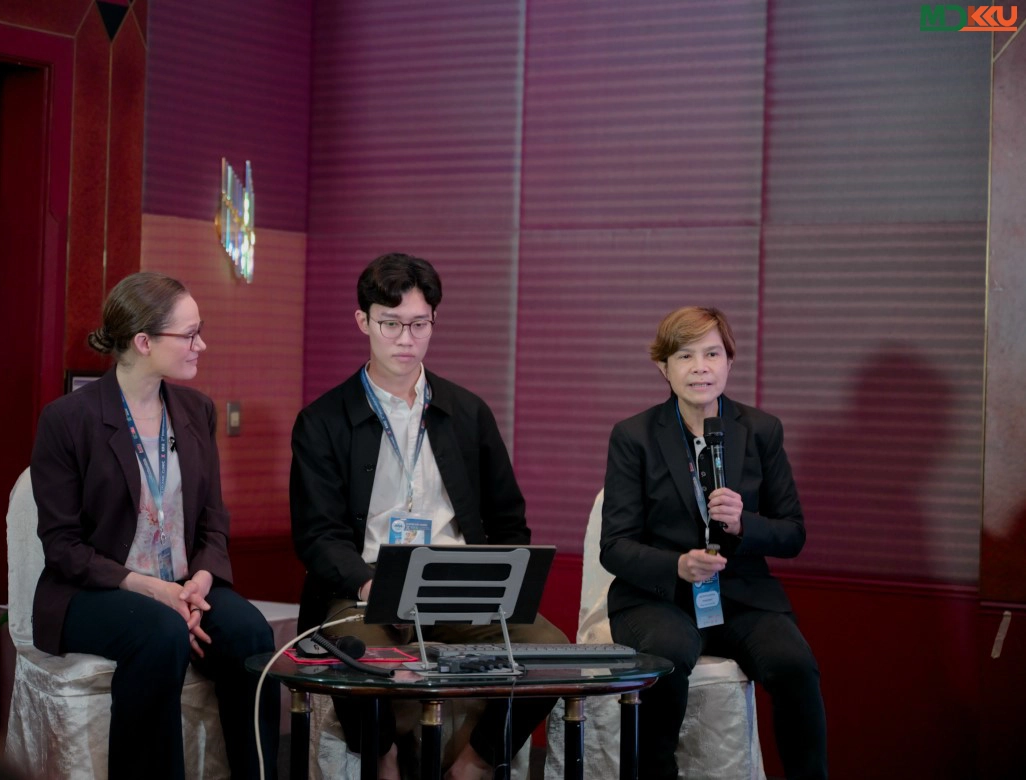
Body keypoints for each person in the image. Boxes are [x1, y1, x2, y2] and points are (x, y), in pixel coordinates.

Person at [290, 253, 568, 780]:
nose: (406, 339)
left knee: (551, 651)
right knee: (362, 659)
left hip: (459, 584)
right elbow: (317, 535)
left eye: (419, 324)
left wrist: (497, 583)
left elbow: (509, 519)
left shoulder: (467, 413)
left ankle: (476, 760)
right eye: (390, 324)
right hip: (365, 589)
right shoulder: (323, 421)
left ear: (434, 321)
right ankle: (384, 758)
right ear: (363, 321)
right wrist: (369, 585)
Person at [29, 272, 278, 780]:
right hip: (94, 591)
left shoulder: (195, 410)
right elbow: (62, 547)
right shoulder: (68, 419)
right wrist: (151, 589)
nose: (201, 345)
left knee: (250, 632)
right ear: (143, 342)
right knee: (161, 632)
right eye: (190, 335)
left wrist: (201, 579)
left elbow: (213, 518)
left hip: (184, 583)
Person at [600, 306, 827, 780]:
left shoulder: (761, 430)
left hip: (741, 594)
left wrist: (744, 525)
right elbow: (615, 546)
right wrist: (678, 565)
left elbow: (793, 534)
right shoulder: (634, 436)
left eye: (712, 354)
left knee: (794, 665)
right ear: (663, 367)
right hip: (658, 598)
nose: (700, 367)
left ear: (729, 361)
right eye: (685, 356)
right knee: (667, 655)